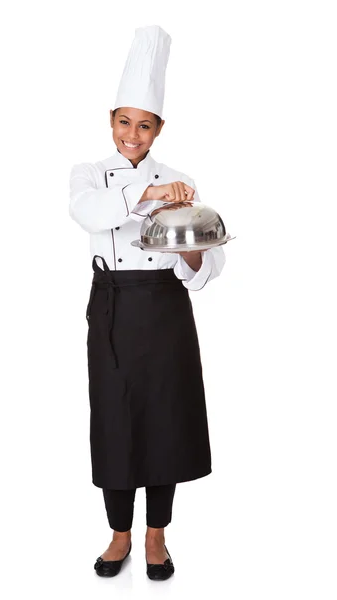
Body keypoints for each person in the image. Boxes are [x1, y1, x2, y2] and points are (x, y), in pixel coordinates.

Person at [68, 25, 226, 580]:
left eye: (144, 125)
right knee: (114, 423)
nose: (132, 134)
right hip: (111, 308)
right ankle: (119, 535)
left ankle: (156, 536)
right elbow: (91, 214)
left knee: (167, 423)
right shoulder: (88, 175)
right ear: (110, 121)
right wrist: (150, 197)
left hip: (165, 312)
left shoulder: (182, 180)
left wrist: (192, 243)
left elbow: (204, 270)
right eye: (124, 122)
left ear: (159, 129)